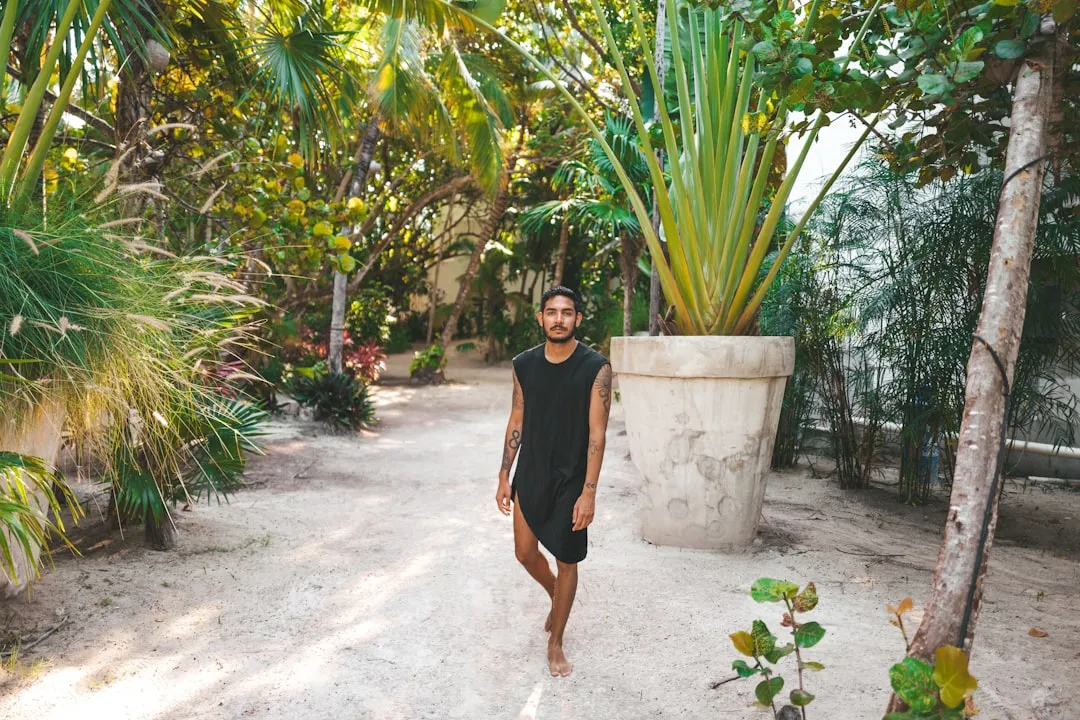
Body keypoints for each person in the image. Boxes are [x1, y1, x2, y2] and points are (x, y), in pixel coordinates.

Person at [496, 286, 612, 678]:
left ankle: (556, 641)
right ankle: (555, 596)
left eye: (566, 312)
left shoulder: (596, 368)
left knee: (567, 560)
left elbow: (598, 435)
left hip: (571, 479)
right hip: (531, 470)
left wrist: (589, 493)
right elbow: (517, 419)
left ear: (578, 319)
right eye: (551, 312)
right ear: (541, 318)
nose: (558, 319)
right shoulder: (523, 365)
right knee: (525, 552)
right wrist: (503, 474)